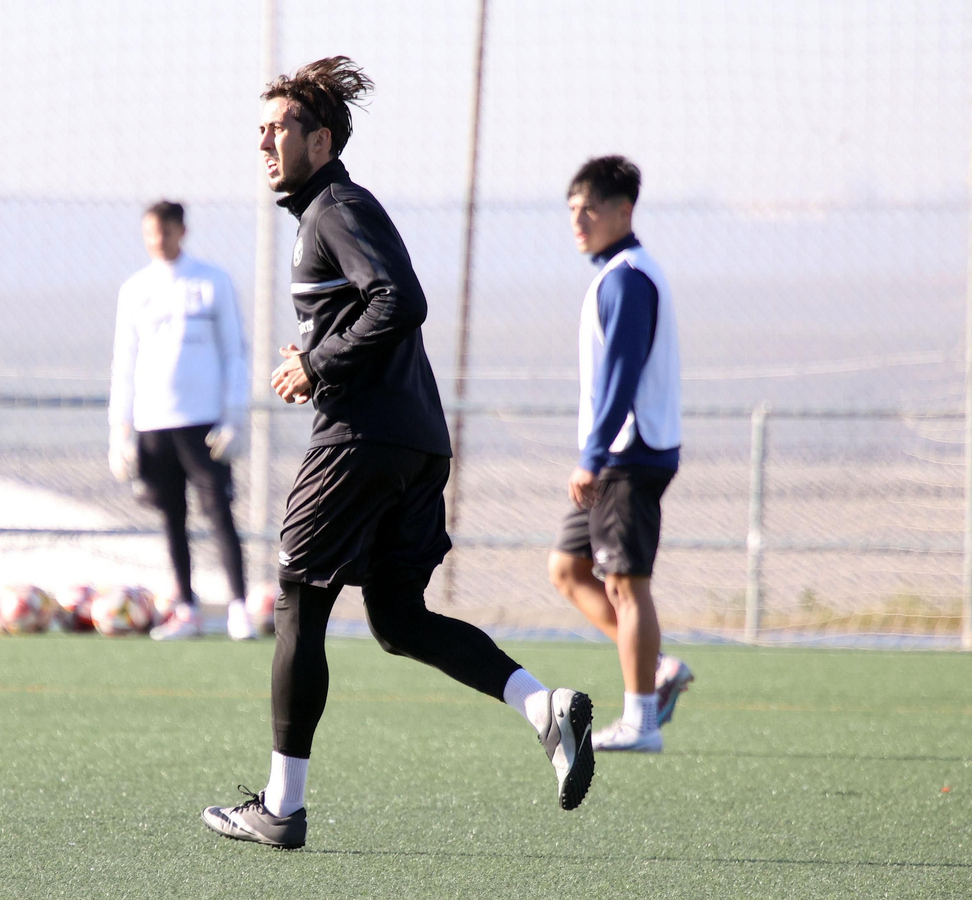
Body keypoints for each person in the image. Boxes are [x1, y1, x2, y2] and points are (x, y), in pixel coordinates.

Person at [201, 57, 595, 851]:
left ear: (322, 138)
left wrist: (317, 364)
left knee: (297, 601)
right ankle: (541, 707)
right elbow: (369, 313)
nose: (264, 141)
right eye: (261, 129)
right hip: (413, 440)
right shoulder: (328, 212)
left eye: (278, 128)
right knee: (398, 619)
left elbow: (400, 300)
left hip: (363, 443)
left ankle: (282, 807)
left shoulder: (335, 207)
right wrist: (315, 352)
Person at [547, 156, 692, 754]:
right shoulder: (614, 274)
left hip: (628, 456)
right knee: (567, 569)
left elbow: (621, 376)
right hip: (617, 455)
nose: (578, 220)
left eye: (591, 209)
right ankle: (654, 669)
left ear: (624, 211)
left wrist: (594, 454)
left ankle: (641, 721)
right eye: (572, 210)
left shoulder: (629, 278)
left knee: (627, 584)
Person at [108, 200, 255, 642]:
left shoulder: (213, 282)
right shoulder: (135, 289)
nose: (158, 240)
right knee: (171, 517)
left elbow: (235, 351)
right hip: (154, 425)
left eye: (166, 232)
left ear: (182, 231)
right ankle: (187, 608)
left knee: (219, 513)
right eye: (151, 232)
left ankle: (238, 608)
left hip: (205, 424)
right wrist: (120, 430)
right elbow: (124, 362)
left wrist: (234, 416)